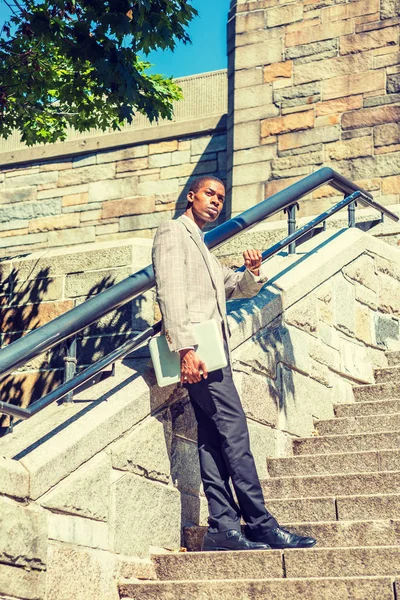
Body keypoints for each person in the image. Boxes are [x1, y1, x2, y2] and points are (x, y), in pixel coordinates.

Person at [152, 175, 316, 552]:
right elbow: (170, 291)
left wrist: (253, 273)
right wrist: (186, 350)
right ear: (191, 196)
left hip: (211, 354)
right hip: (199, 355)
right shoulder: (172, 233)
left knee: (211, 441)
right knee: (235, 434)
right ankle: (260, 524)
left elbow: (234, 287)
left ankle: (224, 528)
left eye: (221, 198)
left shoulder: (204, 247)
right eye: (209, 194)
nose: (216, 202)